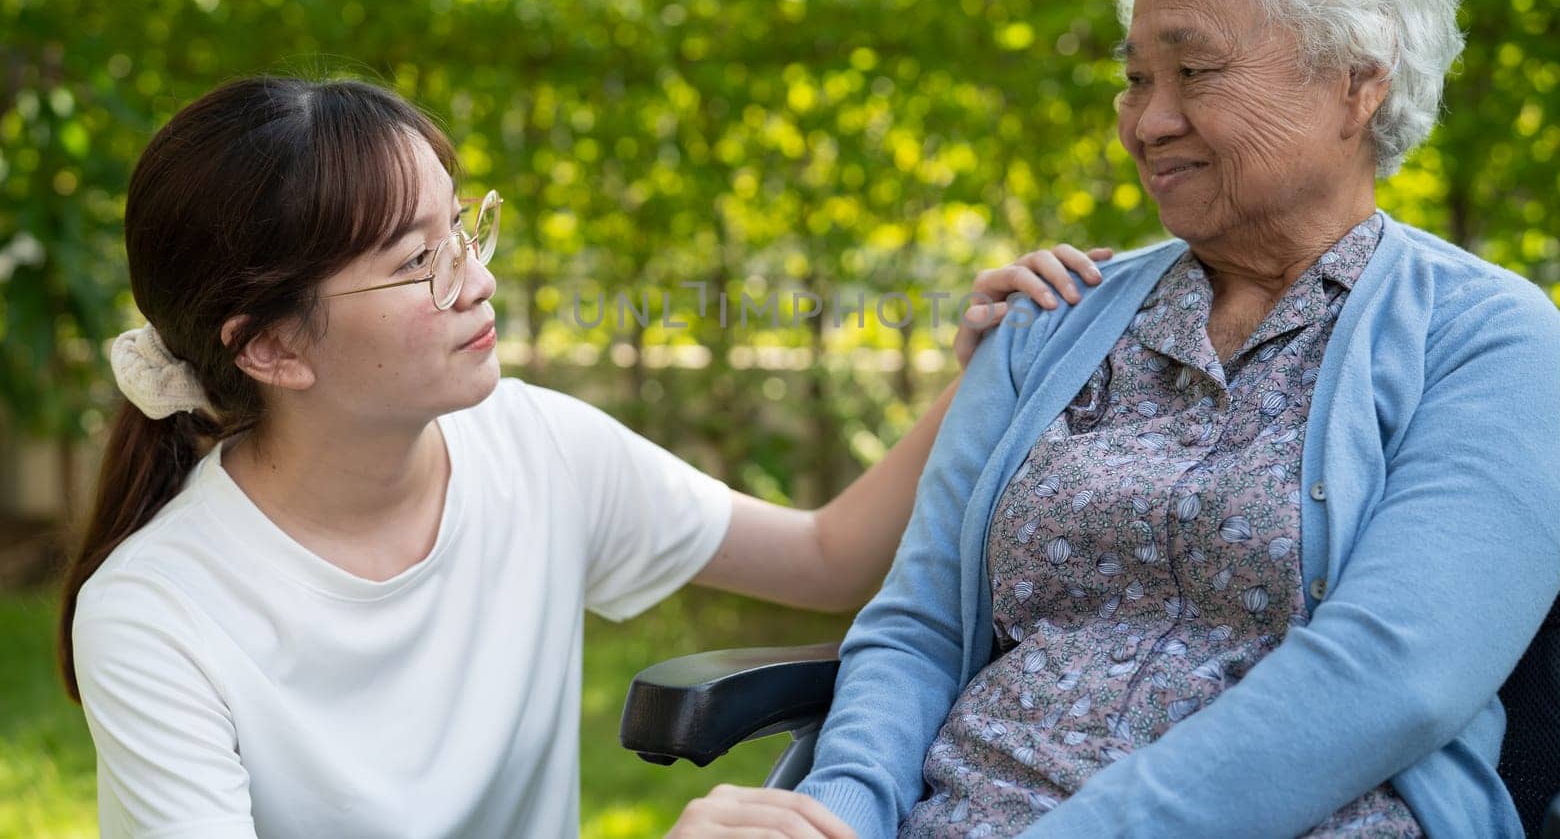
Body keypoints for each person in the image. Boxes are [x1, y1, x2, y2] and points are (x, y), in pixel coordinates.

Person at [673, 0, 1560, 838]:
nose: (1146, 121)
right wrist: (836, 807)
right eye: (1134, 77)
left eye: (1193, 70)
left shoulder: (1481, 336)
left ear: (1355, 82)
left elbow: (1394, 671)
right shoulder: (1050, 319)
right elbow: (920, 625)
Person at [56, 74, 1113, 838]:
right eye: (416, 261)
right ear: (274, 346)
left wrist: (984, 372)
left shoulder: (530, 445)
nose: (471, 278)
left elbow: (828, 556)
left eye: (461, 229)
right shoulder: (158, 614)